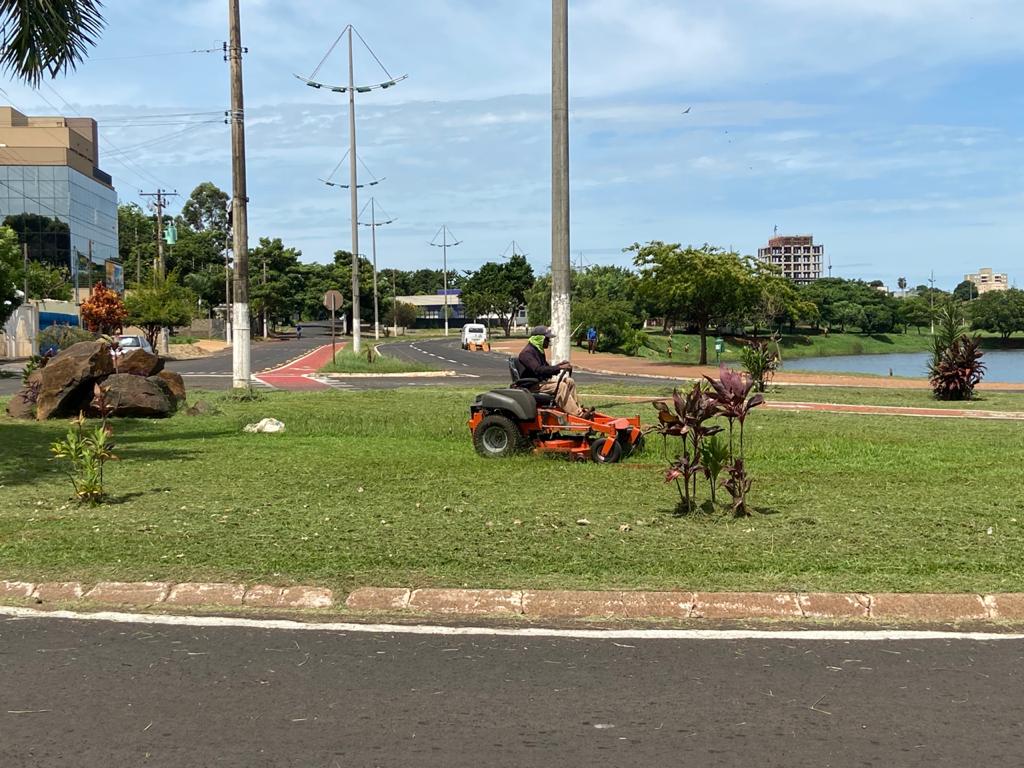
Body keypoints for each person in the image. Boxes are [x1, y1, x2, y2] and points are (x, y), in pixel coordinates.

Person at [517, 325, 589, 417]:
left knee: (569, 382)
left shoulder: (538, 351)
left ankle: (577, 408)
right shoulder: (527, 353)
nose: (549, 341)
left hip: (540, 382)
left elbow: (546, 368)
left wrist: (560, 365)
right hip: (532, 386)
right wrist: (559, 368)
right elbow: (538, 370)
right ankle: (578, 414)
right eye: (547, 339)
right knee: (561, 387)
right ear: (539, 339)